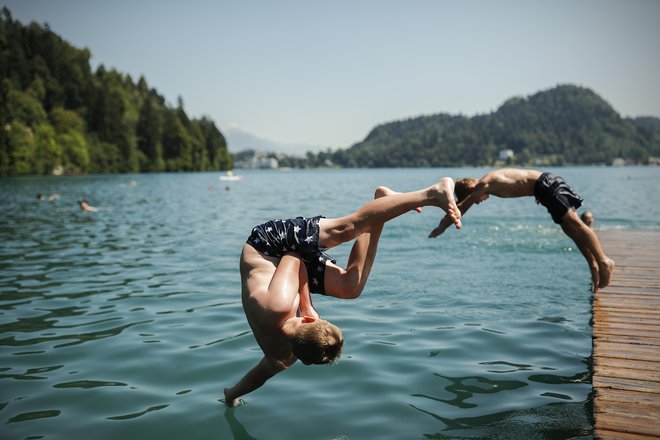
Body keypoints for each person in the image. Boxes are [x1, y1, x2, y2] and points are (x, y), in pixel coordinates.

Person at [224, 178, 462, 406]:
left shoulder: (280, 308)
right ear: (302, 358)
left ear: (308, 320)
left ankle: (432, 193)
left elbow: (294, 256)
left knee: (345, 230)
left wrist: (307, 305)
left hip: (267, 247)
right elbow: (257, 378)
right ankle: (381, 204)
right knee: (351, 287)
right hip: (284, 272)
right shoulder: (282, 358)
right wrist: (231, 395)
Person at [428, 168, 614, 292]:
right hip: (543, 190)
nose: (480, 201)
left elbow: (462, 207)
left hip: (546, 185)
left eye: (478, 200)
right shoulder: (487, 182)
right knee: (570, 230)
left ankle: (604, 261)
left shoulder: (483, 185)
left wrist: (441, 227)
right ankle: (593, 265)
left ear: (470, 189)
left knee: (576, 225)